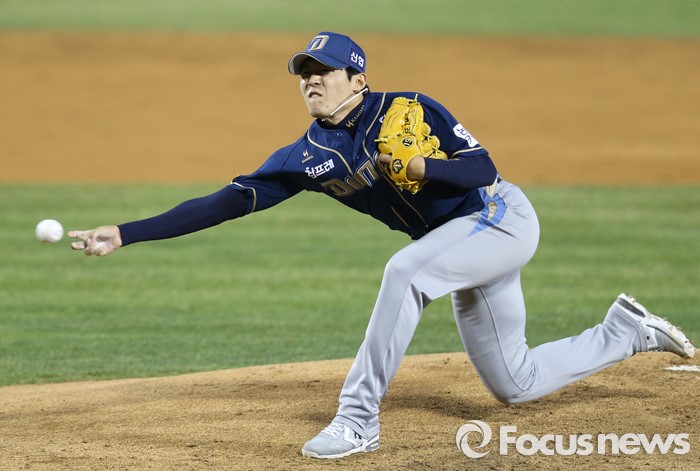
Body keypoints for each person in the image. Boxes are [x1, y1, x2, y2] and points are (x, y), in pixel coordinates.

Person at [70, 32, 695, 460]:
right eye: (303, 74)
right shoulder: (303, 157)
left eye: (322, 72)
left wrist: (425, 167)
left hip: (500, 218)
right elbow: (225, 202)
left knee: (405, 272)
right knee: (515, 382)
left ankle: (357, 420)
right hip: (456, 246)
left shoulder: (410, 108)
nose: (311, 81)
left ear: (357, 79)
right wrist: (126, 232)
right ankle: (626, 333)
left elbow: (482, 168)